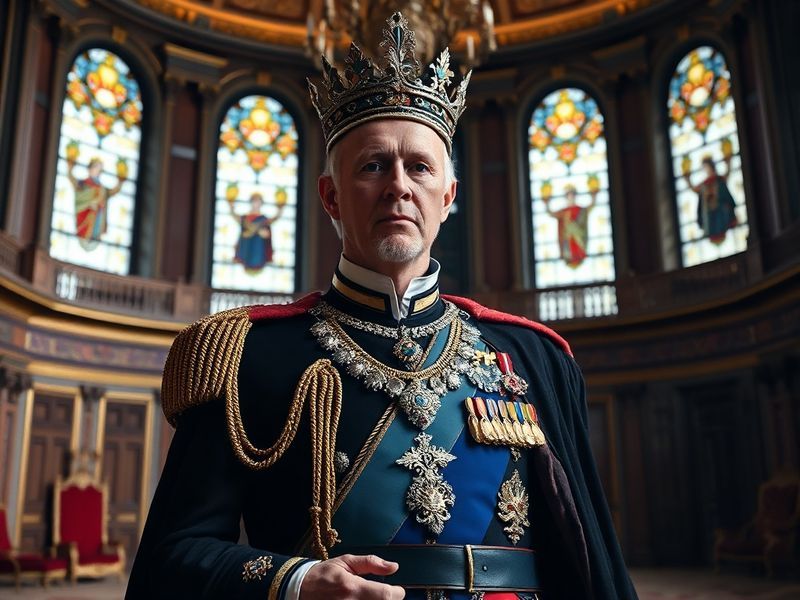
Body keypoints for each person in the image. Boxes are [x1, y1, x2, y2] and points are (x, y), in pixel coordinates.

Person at [127, 12, 637, 600]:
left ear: (447, 197)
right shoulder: (244, 356)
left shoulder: (533, 357)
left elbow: (588, 558)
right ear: (331, 196)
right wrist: (293, 581)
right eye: (373, 165)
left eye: (419, 166)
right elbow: (172, 557)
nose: (398, 184)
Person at [66, 156, 125, 250]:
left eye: (100, 169)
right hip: (85, 214)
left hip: (98, 217)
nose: (98, 171)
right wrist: (69, 167)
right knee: (85, 231)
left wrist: (120, 182)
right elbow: (71, 179)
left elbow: (113, 191)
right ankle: (85, 239)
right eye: (96, 168)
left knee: (95, 231)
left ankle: (92, 239)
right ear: (90, 168)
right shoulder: (82, 183)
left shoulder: (102, 188)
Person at [684, 155, 737, 244]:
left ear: (711, 166)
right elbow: (695, 189)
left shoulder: (719, 179)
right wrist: (687, 179)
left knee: (720, 220)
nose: (705, 169)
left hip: (720, 211)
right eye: (704, 167)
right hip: (709, 215)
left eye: (705, 167)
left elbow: (727, 175)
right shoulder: (704, 184)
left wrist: (728, 163)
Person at [544, 184, 597, 268]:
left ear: (575, 196)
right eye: (568, 195)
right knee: (568, 251)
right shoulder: (563, 211)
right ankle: (568, 257)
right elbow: (551, 214)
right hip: (567, 241)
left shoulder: (581, 210)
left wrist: (594, 196)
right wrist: (546, 203)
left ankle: (579, 255)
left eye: (572, 195)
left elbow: (591, 206)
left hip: (579, 240)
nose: (570, 197)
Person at [230, 191, 285, 273]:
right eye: (254, 201)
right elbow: (236, 217)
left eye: (258, 201)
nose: (256, 204)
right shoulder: (245, 218)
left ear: (261, 203)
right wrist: (231, 206)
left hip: (259, 246)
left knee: (257, 257)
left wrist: (280, 209)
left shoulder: (264, 219)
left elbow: (273, 221)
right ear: (251, 202)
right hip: (246, 246)